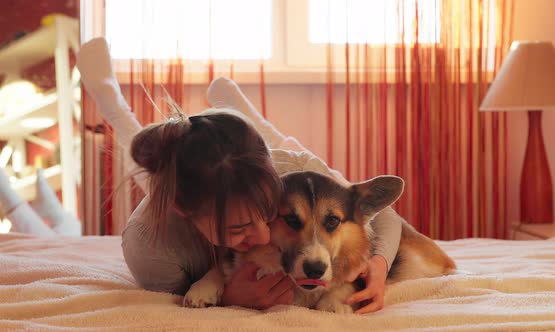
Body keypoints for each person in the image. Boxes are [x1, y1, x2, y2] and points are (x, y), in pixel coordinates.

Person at [76, 37, 403, 313]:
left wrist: (378, 264)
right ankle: (113, 104)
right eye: (239, 228)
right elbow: (177, 303)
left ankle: (243, 117)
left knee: (281, 144)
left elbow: (379, 212)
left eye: (270, 214)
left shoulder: (284, 176)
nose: (263, 237)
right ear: (187, 212)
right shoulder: (153, 249)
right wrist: (230, 298)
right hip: (176, 207)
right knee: (152, 174)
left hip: (272, 158)